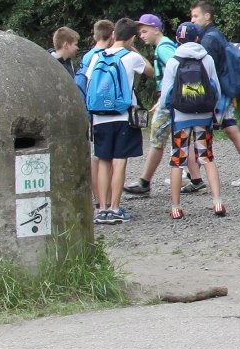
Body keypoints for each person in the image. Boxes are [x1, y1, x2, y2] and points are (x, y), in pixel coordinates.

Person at [188, 2, 240, 188]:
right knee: (230, 127)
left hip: (216, 94)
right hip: (223, 92)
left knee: (200, 131)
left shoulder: (208, 40)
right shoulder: (214, 35)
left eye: (196, 16)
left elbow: (206, 70)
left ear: (207, 16)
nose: (192, 20)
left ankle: (193, 176)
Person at [156, 22, 226, 219]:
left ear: (177, 40)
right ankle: (217, 201)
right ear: (197, 39)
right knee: (207, 157)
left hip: (180, 117)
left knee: (178, 160)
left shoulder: (173, 60)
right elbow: (217, 90)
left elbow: (166, 96)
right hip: (204, 115)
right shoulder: (207, 59)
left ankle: (176, 206)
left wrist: (168, 109)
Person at [85, 18, 148, 224]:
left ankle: (101, 208)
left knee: (103, 161)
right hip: (122, 116)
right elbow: (148, 70)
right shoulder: (130, 57)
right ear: (131, 37)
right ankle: (115, 208)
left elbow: (89, 82)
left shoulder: (97, 57)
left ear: (113, 35)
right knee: (119, 162)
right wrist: (133, 48)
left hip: (99, 117)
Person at [124, 15, 186, 200]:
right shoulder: (164, 45)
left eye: (144, 31)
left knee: (157, 138)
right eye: (140, 32)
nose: (142, 35)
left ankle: (144, 182)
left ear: (156, 29)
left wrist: (164, 97)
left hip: (168, 101)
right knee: (182, 137)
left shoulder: (164, 47)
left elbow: (176, 70)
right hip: (171, 99)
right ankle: (196, 179)